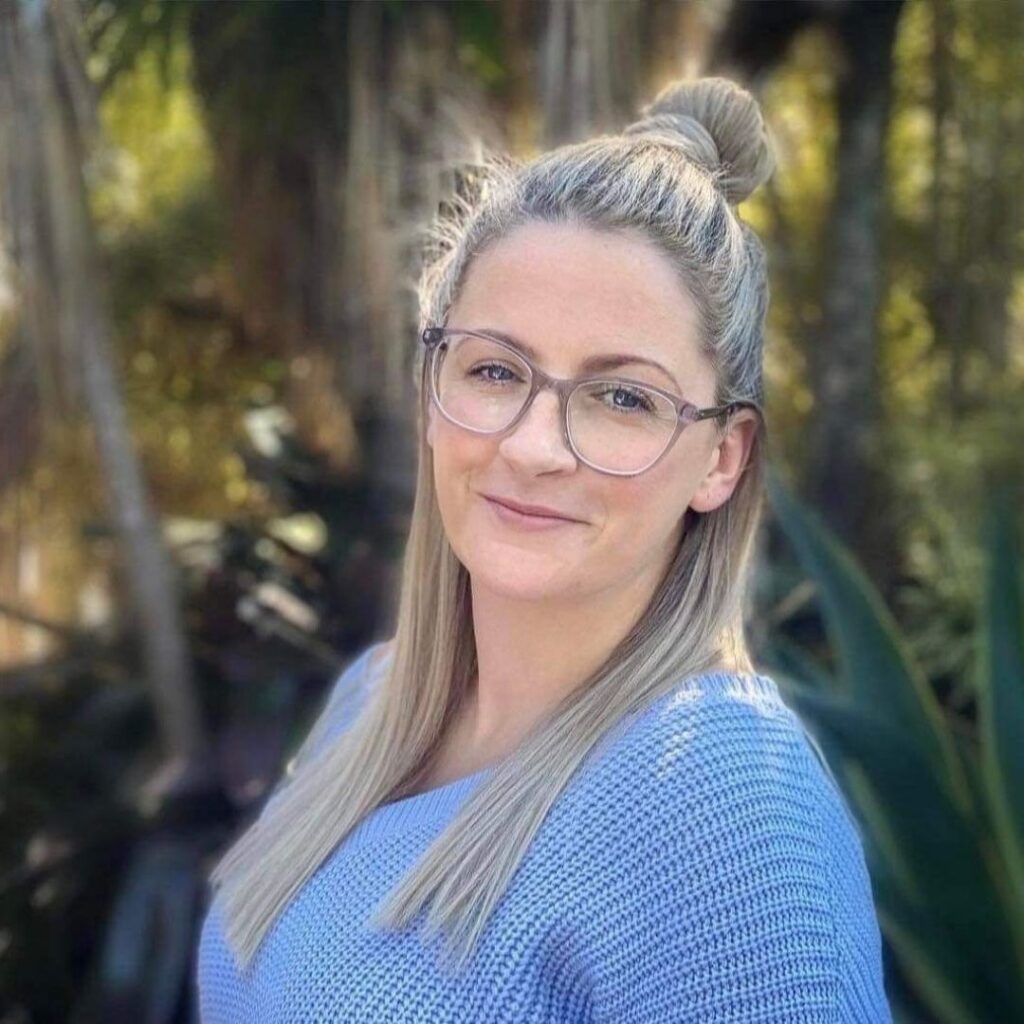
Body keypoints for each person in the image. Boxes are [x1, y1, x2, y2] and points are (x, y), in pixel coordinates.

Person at [195, 75, 893, 1023]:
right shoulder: (369, 704)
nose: (531, 446)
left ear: (721, 459)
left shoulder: (727, 805)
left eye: (622, 397)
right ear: (431, 389)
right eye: (494, 370)